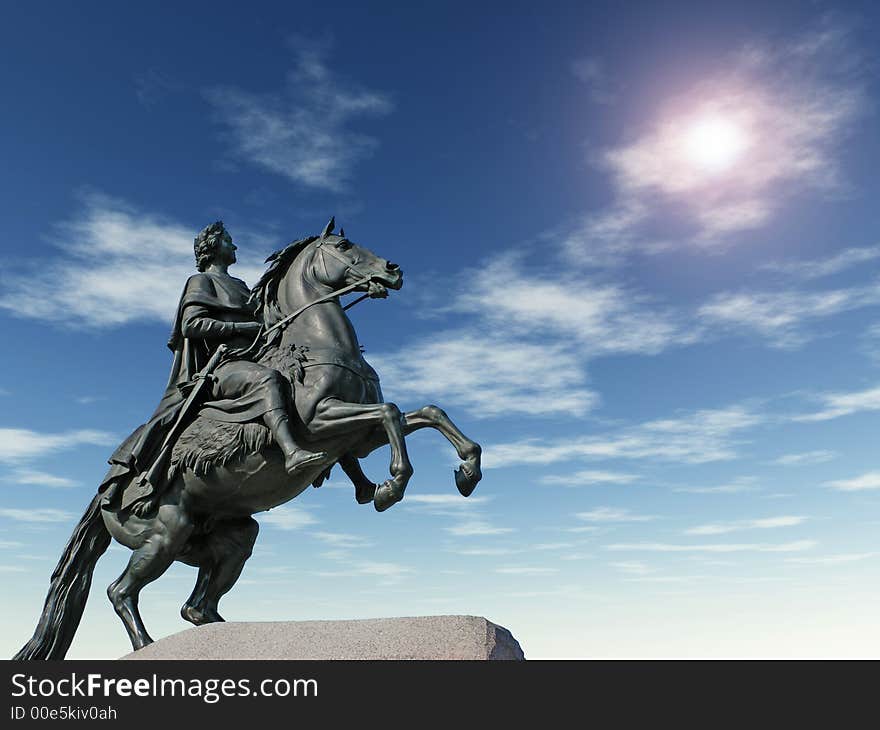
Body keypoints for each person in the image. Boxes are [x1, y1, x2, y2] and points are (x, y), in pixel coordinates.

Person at [100, 221, 325, 515]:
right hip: (221, 366)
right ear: (211, 248)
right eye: (229, 241)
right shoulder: (201, 281)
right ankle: (291, 451)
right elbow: (191, 325)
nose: (234, 246)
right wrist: (240, 326)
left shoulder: (242, 286)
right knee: (267, 380)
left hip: (251, 357)